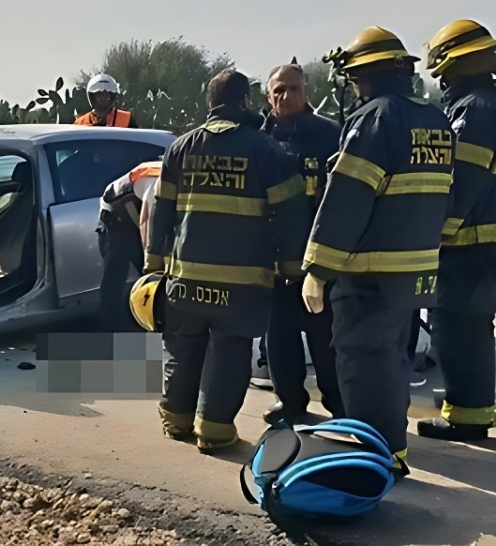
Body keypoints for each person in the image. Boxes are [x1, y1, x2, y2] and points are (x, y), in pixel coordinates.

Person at [302, 26, 454, 468]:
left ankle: (374, 456)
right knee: (391, 360)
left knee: (364, 362)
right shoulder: (435, 119)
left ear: (362, 76)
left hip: (370, 270)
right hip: (415, 267)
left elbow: (347, 198)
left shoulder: (376, 119)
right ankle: (392, 447)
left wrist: (318, 268)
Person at [146, 69, 309, 453]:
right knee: (230, 350)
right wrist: (292, 268)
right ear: (245, 102)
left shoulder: (180, 148)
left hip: (185, 276)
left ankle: (176, 420)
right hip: (241, 282)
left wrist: (154, 264)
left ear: (211, 103)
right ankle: (214, 431)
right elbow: (291, 215)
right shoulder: (267, 150)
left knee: (184, 347)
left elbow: (161, 209)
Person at [416, 19, 496, 441]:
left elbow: (460, 185)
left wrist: (433, 235)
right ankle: (473, 409)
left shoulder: (475, 110)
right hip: (481, 246)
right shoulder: (485, 102)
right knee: (472, 331)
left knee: (460, 330)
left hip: (472, 249)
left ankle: (468, 416)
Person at [259, 60, 344, 424]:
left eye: (293, 89)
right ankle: (290, 402)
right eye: (278, 90)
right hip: (274, 258)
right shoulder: (259, 139)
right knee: (279, 337)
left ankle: (340, 406)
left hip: (318, 258)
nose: (286, 96)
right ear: (268, 96)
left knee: (326, 339)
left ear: (305, 91)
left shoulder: (330, 134)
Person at [97, 160, 161, 331]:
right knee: (117, 273)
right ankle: (109, 328)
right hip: (116, 214)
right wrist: (153, 265)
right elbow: (148, 225)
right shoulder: (158, 186)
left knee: (152, 273)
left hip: (137, 210)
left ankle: (152, 321)